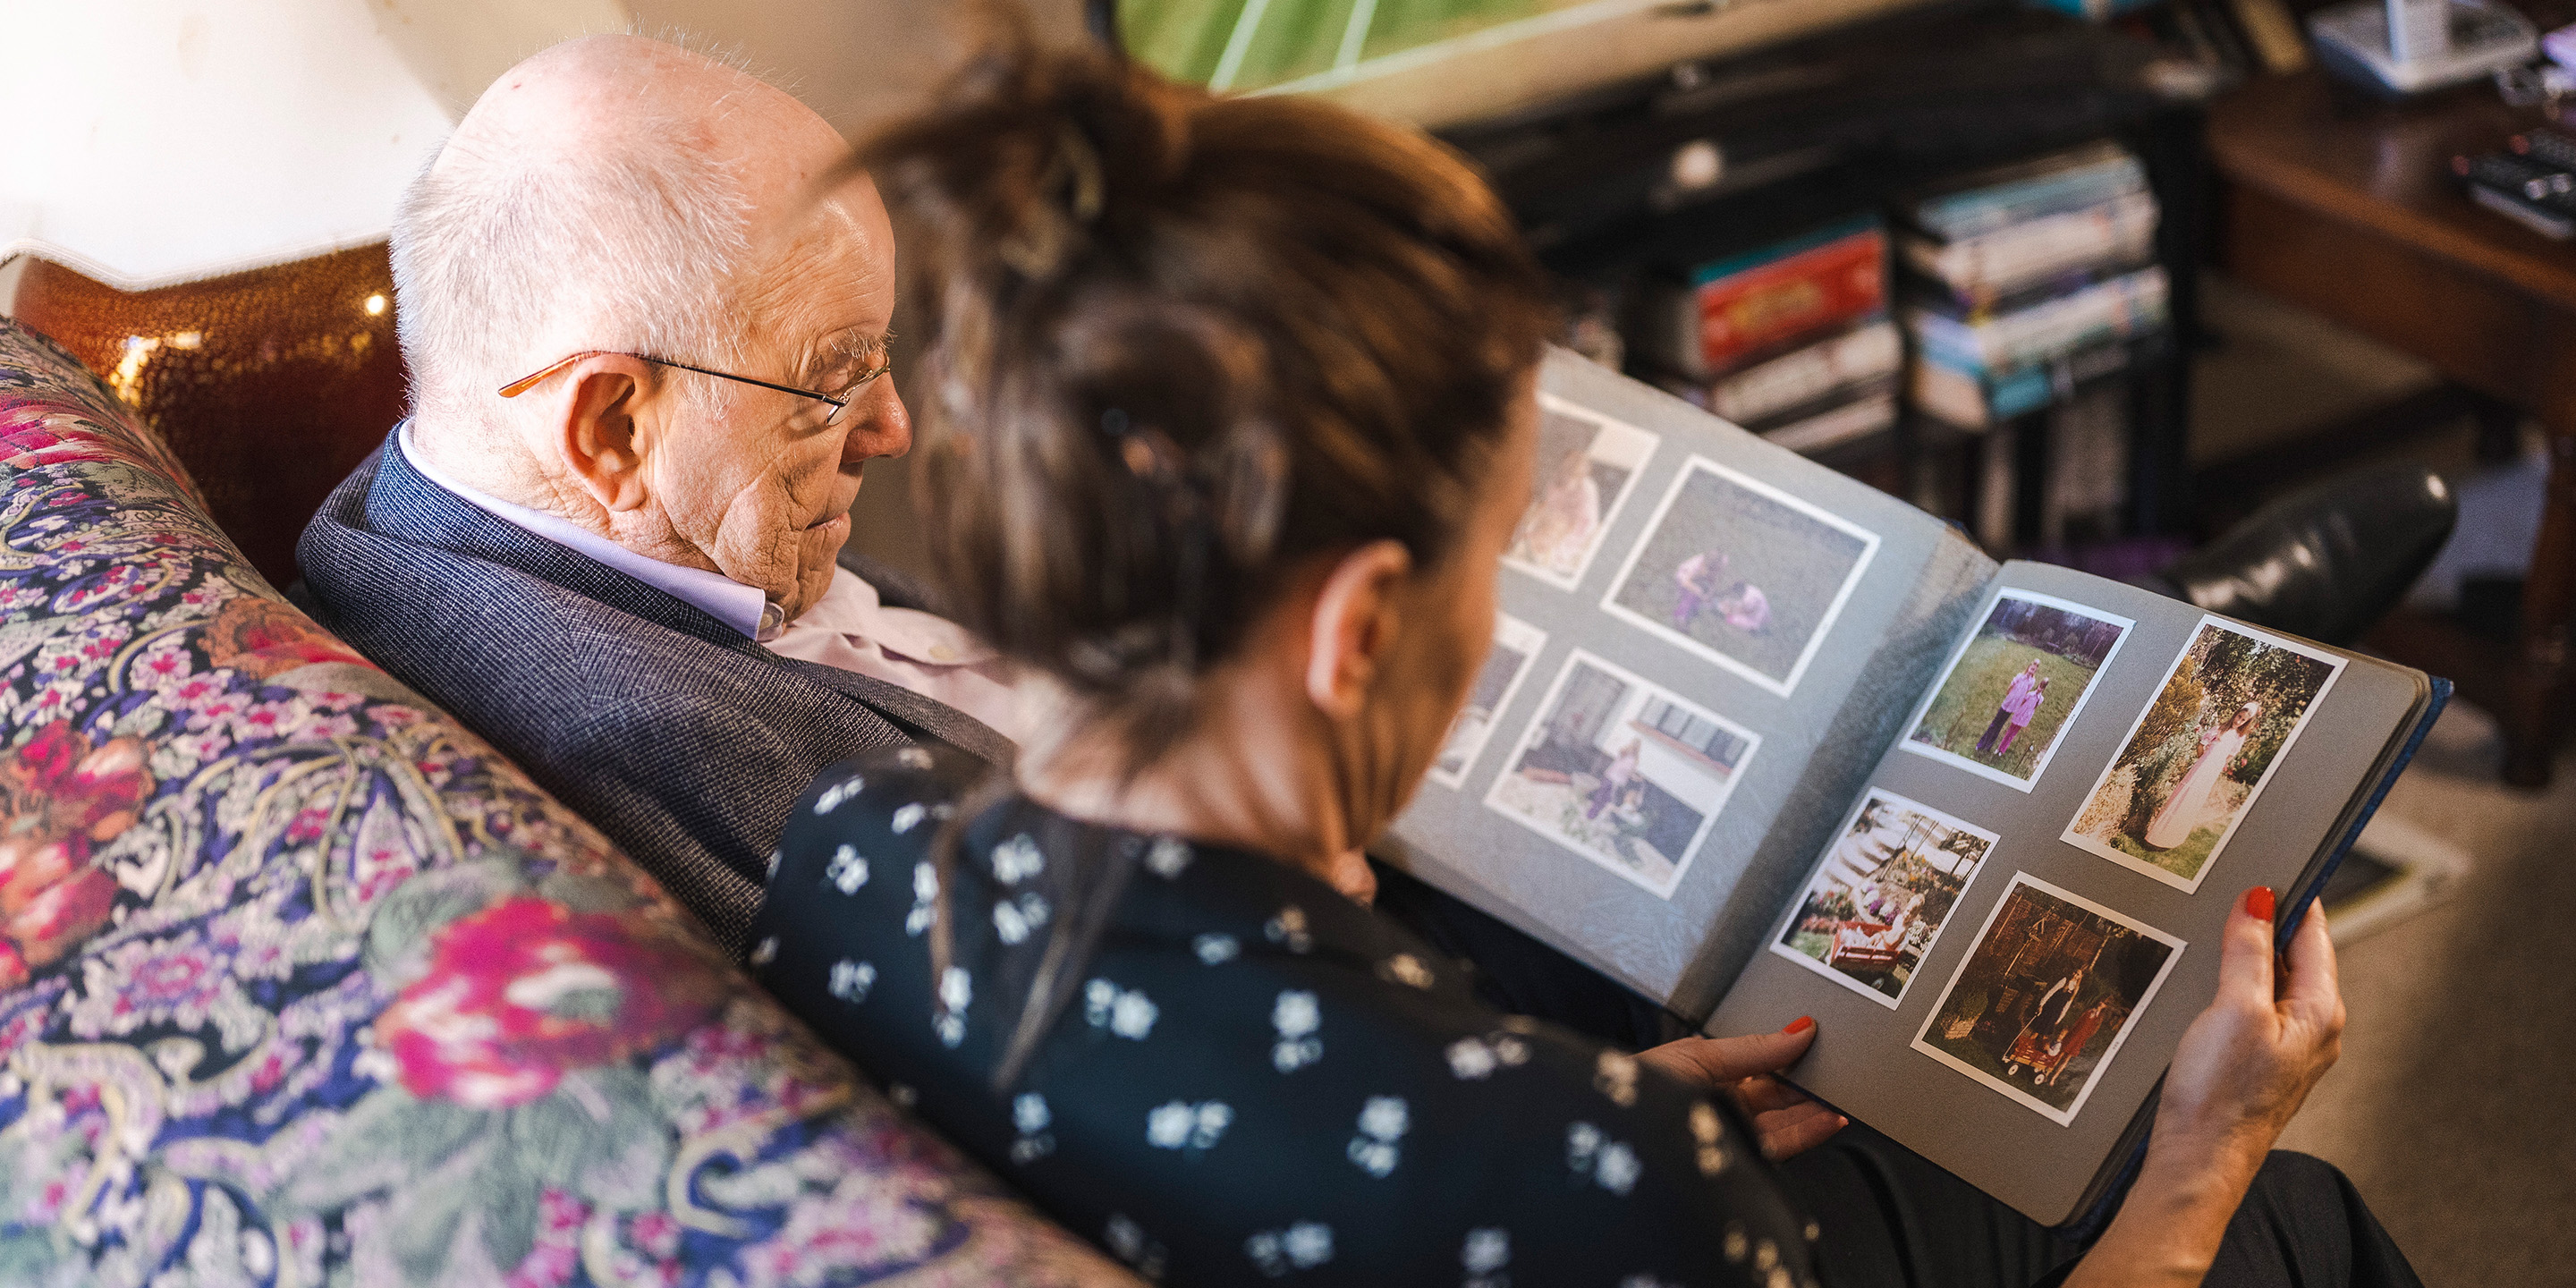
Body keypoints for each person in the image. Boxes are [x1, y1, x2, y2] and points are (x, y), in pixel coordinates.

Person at [753, 45, 2418, 1288]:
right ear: (1358, 635)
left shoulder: (848, 853)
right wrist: (2205, 1154)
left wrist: (1567, 1095)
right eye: (1501, 557)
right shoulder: (1603, 1189)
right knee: (2295, 1229)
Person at [293, 36, 1018, 953]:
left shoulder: (457, 486)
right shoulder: (664, 760)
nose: (891, 429)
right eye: (837, 382)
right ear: (612, 430)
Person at [2144, 700, 2262, 851]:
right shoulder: (2219, 729)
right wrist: (2203, 760)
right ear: (2236, 714)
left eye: (2243, 720)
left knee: (2193, 801)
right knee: (2184, 795)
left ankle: (2171, 838)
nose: (2238, 721)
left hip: (2211, 772)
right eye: (2238, 716)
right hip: (2201, 768)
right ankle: (2156, 836)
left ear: (2246, 722)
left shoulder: (2239, 737)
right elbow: (2201, 745)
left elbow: (2231, 754)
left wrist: (2218, 764)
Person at [1510, 446, 1599, 574]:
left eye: (1576, 474)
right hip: (1551, 523)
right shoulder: (1555, 482)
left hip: (1573, 530)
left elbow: (1588, 524)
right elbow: (1548, 508)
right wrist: (1538, 525)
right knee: (1529, 538)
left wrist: (1562, 538)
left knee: (1552, 552)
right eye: (1567, 470)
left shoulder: (1588, 488)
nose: (1571, 476)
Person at [2005, 967, 2085, 1080]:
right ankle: (2021, 1053)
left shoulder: (2075, 989)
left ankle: (2036, 1058)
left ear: (2080, 978)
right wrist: (2041, 1004)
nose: (2075, 975)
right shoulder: (2064, 980)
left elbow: (2066, 1006)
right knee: (2036, 1033)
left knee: (2045, 1037)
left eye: (2077, 974)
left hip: (2055, 1014)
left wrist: (2060, 1018)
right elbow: (2051, 992)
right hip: (2048, 1010)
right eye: (2074, 972)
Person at [1979, 659, 2046, 755]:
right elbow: (2010, 688)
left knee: (2000, 726)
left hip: (2013, 707)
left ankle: (1988, 746)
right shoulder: (2020, 676)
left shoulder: (2032, 681)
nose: (2032, 670)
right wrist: (2010, 696)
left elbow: (2026, 692)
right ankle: (1981, 744)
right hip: (2007, 703)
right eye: (2031, 668)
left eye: (2034, 670)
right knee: (1995, 723)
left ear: (2036, 672)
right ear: (2028, 667)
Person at [1999, 674, 2051, 755]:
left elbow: (2034, 707)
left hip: (2025, 718)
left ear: (2044, 689)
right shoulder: (2030, 694)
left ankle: (2003, 750)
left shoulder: (2040, 699)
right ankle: (1999, 748)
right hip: (2019, 714)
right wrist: (2017, 711)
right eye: (2039, 686)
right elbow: (2021, 703)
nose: (2039, 689)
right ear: (2038, 685)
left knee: (2013, 734)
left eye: (2042, 688)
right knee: (2009, 732)